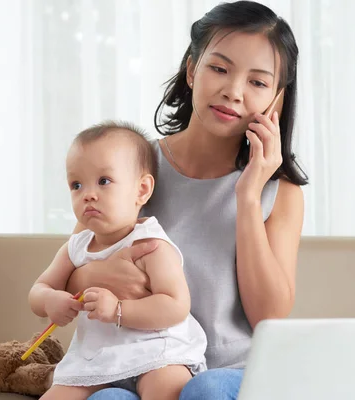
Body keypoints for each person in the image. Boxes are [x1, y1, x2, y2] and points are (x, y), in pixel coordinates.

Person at [67, 1, 307, 398]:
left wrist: (247, 197)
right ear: (192, 69)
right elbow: (74, 266)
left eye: (258, 83)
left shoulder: (279, 193)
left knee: (206, 391)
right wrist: (93, 277)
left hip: (230, 374)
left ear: (276, 100)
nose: (233, 91)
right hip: (134, 366)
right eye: (219, 68)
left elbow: (269, 318)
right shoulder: (133, 169)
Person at [28, 122, 207, 400]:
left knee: (166, 389)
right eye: (76, 185)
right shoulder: (76, 247)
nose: (88, 193)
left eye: (104, 181)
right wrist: (50, 300)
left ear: (142, 190)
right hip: (97, 359)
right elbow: (38, 289)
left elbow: (176, 305)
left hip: (157, 353)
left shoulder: (150, 245)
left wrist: (118, 310)